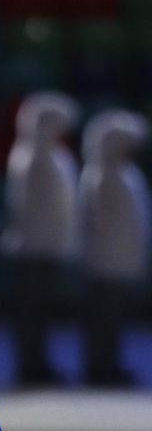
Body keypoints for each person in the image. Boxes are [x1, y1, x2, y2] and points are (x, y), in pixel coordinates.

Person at [1, 90, 81, 386]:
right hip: (32, 247)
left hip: (49, 246)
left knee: (42, 311)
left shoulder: (55, 154)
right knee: (30, 311)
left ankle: (40, 361)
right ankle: (30, 365)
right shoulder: (30, 155)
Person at [79, 109, 151, 387]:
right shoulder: (101, 175)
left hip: (121, 260)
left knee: (115, 319)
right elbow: (100, 224)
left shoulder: (126, 173)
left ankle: (110, 363)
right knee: (103, 319)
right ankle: (99, 367)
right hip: (105, 261)